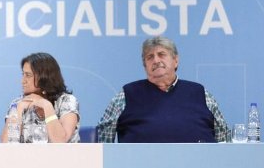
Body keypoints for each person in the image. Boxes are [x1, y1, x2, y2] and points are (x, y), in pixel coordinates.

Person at [97, 36, 228, 143]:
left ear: (175, 60)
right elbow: (102, 140)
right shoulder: (126, 95)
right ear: (145, 66)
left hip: (198, 165)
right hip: (141, 166)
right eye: (150, 57)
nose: (156, 60)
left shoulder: (200, 93)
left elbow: (224, 140)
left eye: (161, 54)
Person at [0, 52, 80, 143]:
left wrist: (47, 106)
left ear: (44, 77)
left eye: (28, 75)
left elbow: (60, 141)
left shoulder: (66, 101)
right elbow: (6, 144)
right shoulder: (18, 102)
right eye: (23, 74)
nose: (23, 81)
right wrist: (18, 110)